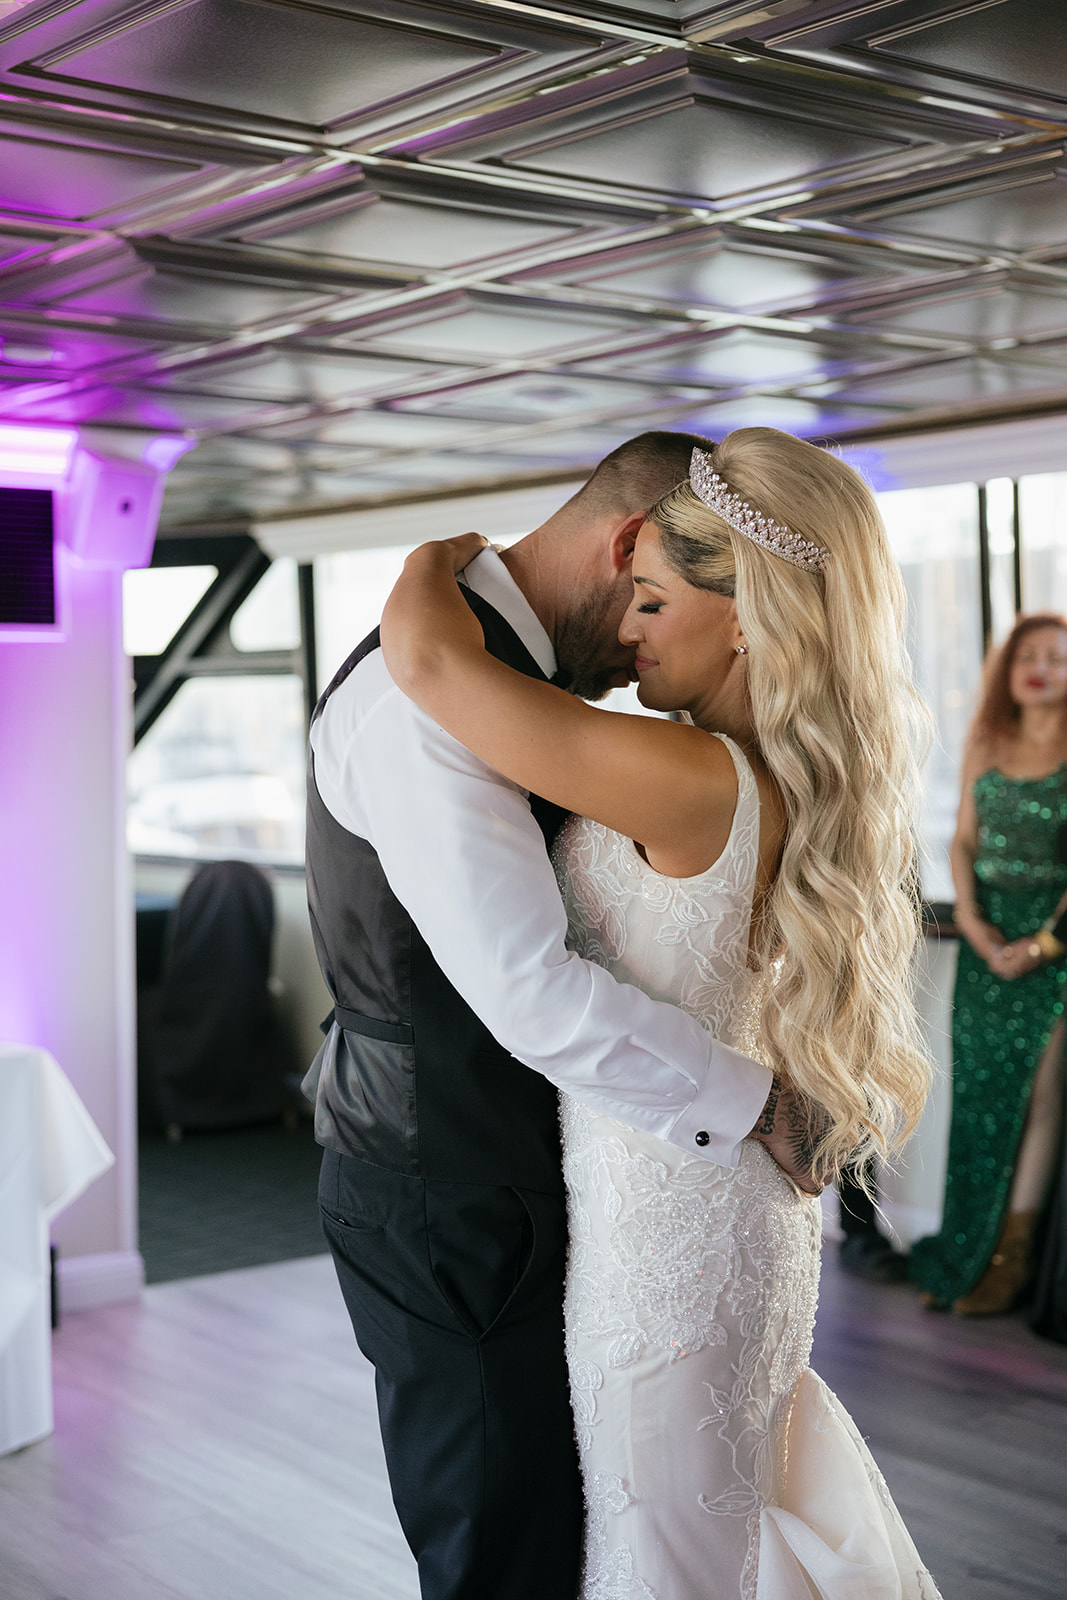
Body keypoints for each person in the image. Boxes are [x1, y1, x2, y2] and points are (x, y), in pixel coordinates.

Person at [381, 427, 939, 1597]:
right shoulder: (760, 774)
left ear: (743, 617)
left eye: (650, 600)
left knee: (662, 1553)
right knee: (702, 1539)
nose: (627, 629)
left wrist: (440, 553)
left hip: (667, 1241)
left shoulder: (690, 778)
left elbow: (428, 663)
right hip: (718, 1211)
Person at [303, 430, 818, 1600]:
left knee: (572, 1536)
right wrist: (757, 1101)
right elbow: (527, 988)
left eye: (664, 608)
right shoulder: (422, 698)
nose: (636, 654)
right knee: (505, 1548)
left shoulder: (478, 678)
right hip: (454, 1182)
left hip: (605, 1193)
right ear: (630, 543)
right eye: (644, 598)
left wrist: (426, 570)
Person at [911, 614, 1067, 1316]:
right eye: (1027, 655)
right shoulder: (986, 741)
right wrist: (973, 924)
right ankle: (963, 1250)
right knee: (976, 1100)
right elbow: (963, 844)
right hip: (984, 943)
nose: (1039, 668)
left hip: (1053, 948)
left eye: (1056, 657)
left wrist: (1043, 943)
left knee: (1039, 1098)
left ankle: (1009, 1263)